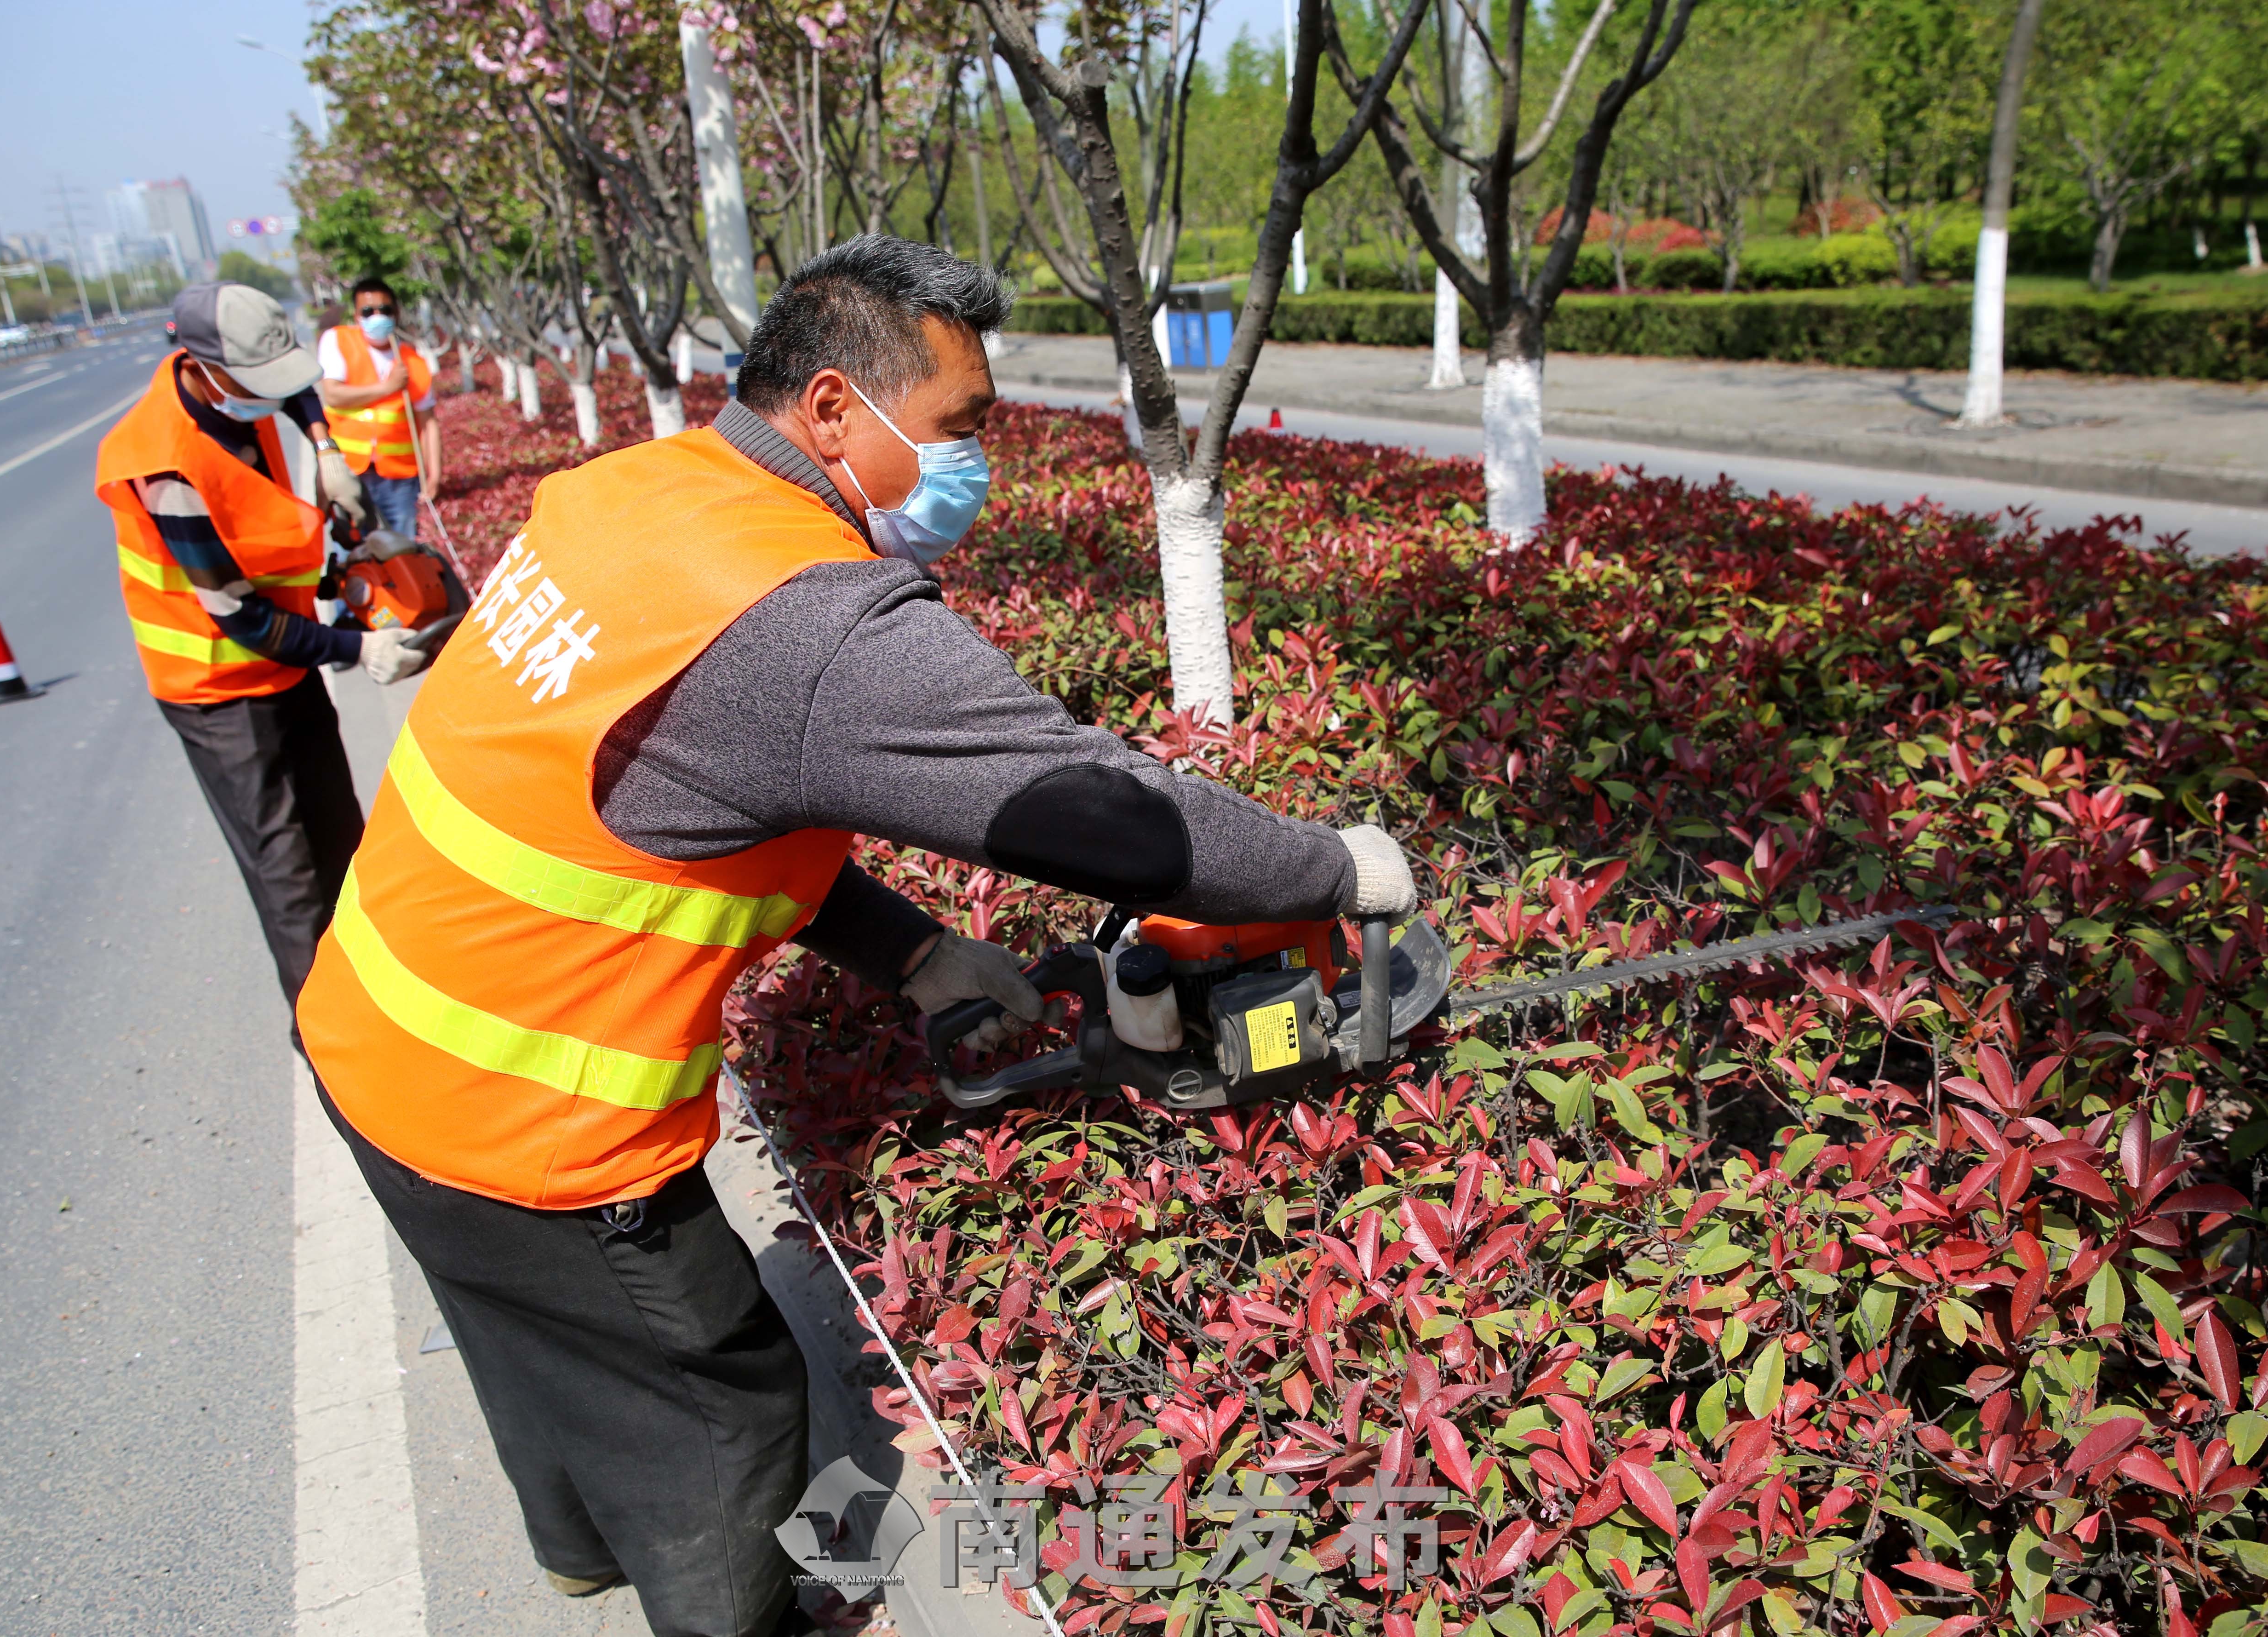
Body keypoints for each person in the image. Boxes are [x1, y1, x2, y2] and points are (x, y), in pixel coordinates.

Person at [294, 236, 1416, 1637]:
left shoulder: (633, 492)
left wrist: (924, 957)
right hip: (522, 1116)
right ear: (833, 407)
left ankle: (582, 1550)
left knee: (542, 1347)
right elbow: (1107, 814)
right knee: (726, 1408)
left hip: (371, 1030)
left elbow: (679, 804)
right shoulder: (807, 620)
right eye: (959, 428)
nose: (975, 467)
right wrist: (1339, 866)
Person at [96, 281, 430, 1017]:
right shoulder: (163, 465)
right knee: (287, 872)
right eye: (258, 385)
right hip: (217, 693)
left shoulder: (235, 388)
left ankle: (377, 998)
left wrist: (326, 449)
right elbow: (240, 621)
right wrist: (360, 647)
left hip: (284, 667)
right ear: (200, 365)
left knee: (342, 833)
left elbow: (299, 393)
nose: (270, 396)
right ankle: (325, 1029)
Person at [318, 275, 441, 540]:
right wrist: (387, 388)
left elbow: (427, 423)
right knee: (354, 542)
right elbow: (334, 395)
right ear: (356, 315)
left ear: (396, 313)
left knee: (403, 545)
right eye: (368, 311)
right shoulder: (338, 341)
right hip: (350, 469)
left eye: (384, 310)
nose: (377, 316)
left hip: (399, 476)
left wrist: (435, 473)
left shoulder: (413, 362)